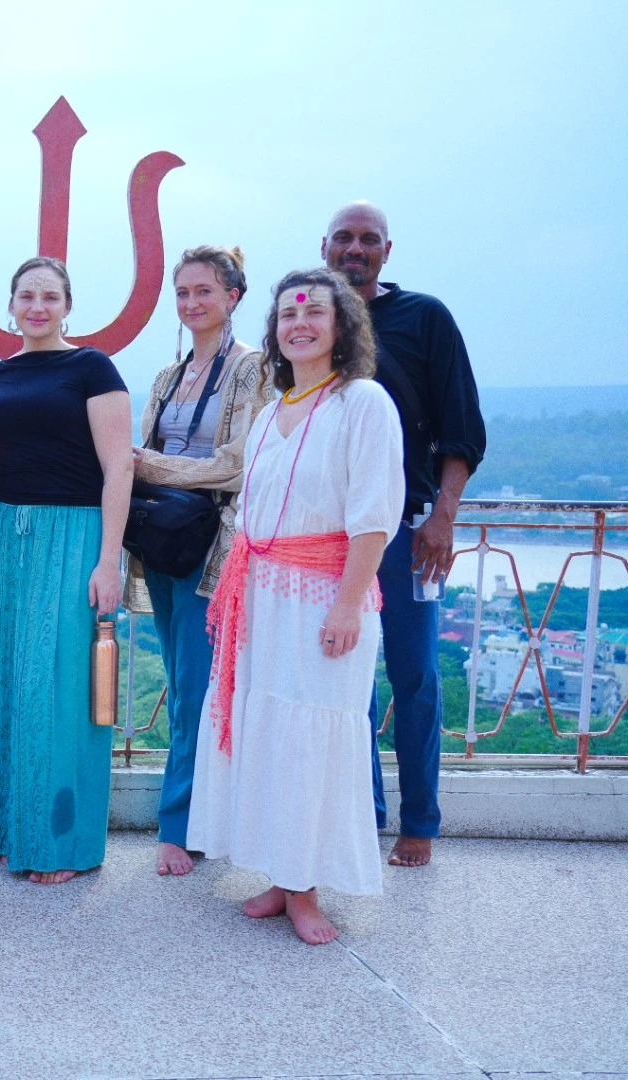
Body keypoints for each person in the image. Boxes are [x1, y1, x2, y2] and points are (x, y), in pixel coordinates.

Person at [186, 267, 404, 945]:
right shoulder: (274, 409)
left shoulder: (362, 403)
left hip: (324, 600)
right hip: (264, 600)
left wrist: (345, 606)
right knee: (271, 737)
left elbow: (373, 518)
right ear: (274, 330)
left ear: (342, 327)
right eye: (287, 315)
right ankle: (282, 877)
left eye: (314, 312)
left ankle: (308, 889)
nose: (299, 324)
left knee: (313, 741)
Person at [322, 202, 486, 868]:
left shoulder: (425, 318)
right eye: (344, 238)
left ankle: (418, 822)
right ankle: (362, 813)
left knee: (413, 674)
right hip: (328, 535)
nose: (354, 249)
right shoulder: (312, 318)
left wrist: (444, 513)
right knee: (343, 678)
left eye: (368, 239)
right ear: (324, 247)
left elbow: (461, 426)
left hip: (408, 529)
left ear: (387, 249)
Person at [0, 256, 134, 885]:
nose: (37, 307)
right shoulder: (1, 373)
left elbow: (119, 466)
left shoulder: (91, 366)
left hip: (74, 534)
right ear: (10, 304)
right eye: (26, 296)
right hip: (11, 537)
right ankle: (8, 826)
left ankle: (62, 844)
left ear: (68, 305)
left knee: (62, 687)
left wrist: (107, 560)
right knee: (10, 680)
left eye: (50, 296)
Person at [127, 246, 271, 877]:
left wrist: (146, 464)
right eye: (182, 292)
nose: (191, 303)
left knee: (195, 688)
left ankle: (177, 826)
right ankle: (206, 818)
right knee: (186, 680)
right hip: (163, 542)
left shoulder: (255, 369)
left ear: (234, 296)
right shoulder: (167, 374)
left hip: (212, 549)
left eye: (203, 291)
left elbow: (238, 465)